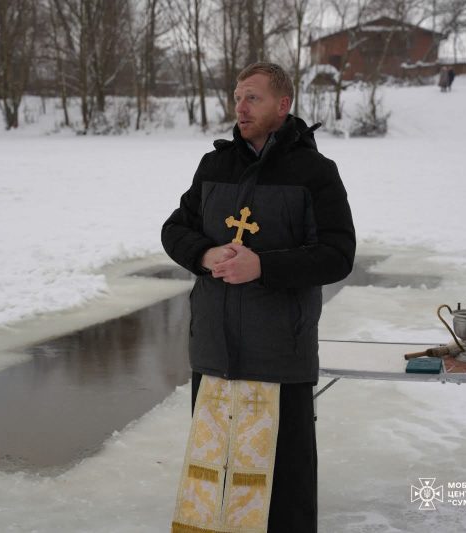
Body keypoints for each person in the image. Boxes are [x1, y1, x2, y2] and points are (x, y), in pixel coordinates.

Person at [162, 62, 356, 533]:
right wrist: (205, 254)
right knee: (214, 487)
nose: (241, 107)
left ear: (283, 105)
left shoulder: (315, 172)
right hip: (213, 352)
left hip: (279, 356)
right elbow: (174, 230)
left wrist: (263, 267)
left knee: (283, 495)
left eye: (253, 97)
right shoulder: (214, 166)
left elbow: (337, 255)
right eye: (237, 97)